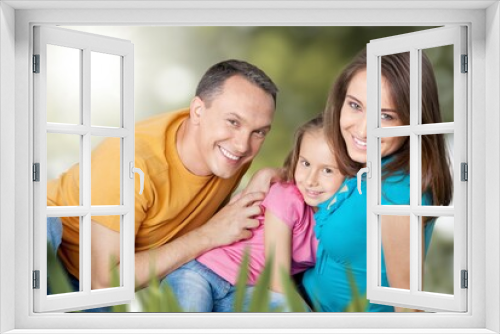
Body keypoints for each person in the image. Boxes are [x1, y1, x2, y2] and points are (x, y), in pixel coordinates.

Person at [46, 59, 279, 306]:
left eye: (260, 132)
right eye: (233, 122)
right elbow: (104, 280)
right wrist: (208, 235)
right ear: (198, 111)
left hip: (106, 289)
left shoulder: (229, 154)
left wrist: (265, 176)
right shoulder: (131, 162)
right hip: (56, 254)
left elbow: (312, 167)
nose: (243, 145)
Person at [299, 49, 453, 312]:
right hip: (303, 299)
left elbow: (408, 310)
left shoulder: (397, 193)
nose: (361, 130)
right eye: (355, 106)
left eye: (386, 116)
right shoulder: (368, 164)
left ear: (414, 119)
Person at [162, 115, 345, 312]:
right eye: (305, 163)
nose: (311, 180)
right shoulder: (288, 196)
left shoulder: (341, 221)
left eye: (327, 170)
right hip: (200, 273)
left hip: (246, 292)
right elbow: (278, 280)